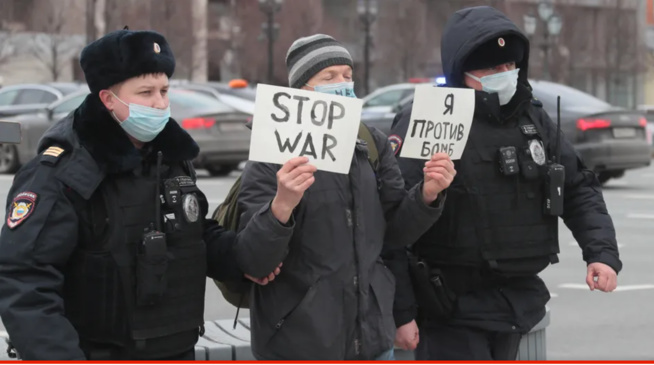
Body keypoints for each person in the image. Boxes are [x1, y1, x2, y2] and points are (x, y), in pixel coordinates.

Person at [0, 29, 287, 360]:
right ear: (108, 99)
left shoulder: (171, 159)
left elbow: (196, 236)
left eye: (164, 90)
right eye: (146, 92)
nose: (160, 103)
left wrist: (242, 259)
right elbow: (24, 282)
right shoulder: (62, 172)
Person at [388, 6, 622, 361]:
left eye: (510, 66)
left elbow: (578, 186)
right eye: (492, 68)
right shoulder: (429, 117)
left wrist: (601, 254)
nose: (505, 74)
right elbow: (391, 228)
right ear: (461, 71)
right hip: (448, 309)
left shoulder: (532, 117)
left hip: (518, 304)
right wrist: (401, 312)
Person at [231, 34, 456, 360]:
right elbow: (253, 260)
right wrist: (282, 204)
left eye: (347, 76)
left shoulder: (372, 143)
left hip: (371, 337)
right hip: (299, 342)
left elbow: (394, 233)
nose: (343, 84)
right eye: (329, 77)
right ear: (301, 90)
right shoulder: (272, 153)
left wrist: (427, 196)